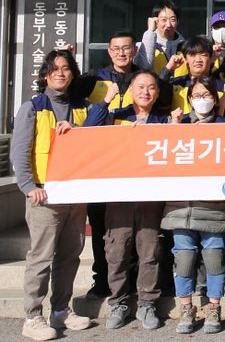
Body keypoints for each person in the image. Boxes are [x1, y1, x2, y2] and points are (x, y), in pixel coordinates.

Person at [10, 50, 92, 341]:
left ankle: (60, 310)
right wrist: (28, 186)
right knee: (41, 258)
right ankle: (33, 317)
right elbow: (19, 152)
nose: (60, 73)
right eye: (54, 68)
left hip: (74, 195)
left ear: (72, 74)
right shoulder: (32, 107)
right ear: (45, 75)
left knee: (70, 256)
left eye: (66, 68)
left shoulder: (83, 108)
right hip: (43, 195)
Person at [85, 70, 171, 331]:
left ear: (157, 93)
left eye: (151, 87)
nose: (146, 92)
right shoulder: (116, 116)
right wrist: (105, 101)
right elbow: (88, 130)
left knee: (149, 251)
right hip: (119, 197)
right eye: (140, 86)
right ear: (131, 89)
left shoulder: (165, 120)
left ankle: (147, 303)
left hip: (151, 197)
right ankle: (119, 303)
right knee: (117, 251)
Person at [78, 31, 143, 299]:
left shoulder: (143, 78)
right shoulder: (94, 79)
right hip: (100, 167)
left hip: (134, 166)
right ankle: (102, 280)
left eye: (126, 48)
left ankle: (133, 281)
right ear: (109, 51)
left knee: (135, 228)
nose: (121, 53)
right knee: (100, 227)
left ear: (134, 50)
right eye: (116, 48)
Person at [163, 76, 225, 334]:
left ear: (215, 98)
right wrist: (174, 128)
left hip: (213, 206)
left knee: (214, 258)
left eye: (207, 95)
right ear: (189, 99)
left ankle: (214, 307)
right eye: (197, 96)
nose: (202, 100)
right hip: (179, 207)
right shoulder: (177, 126)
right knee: (183, 258)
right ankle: (186, 307)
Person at [136, 0, 188, 78]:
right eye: (164, 20)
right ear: (156, 21)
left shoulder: (186, 47)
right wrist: (150, 31)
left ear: (178, 21)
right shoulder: (141, 46)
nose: (168, 24)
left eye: (173, 20)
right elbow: (145, 68)